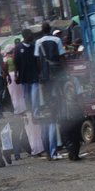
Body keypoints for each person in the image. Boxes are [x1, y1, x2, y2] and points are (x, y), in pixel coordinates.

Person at [34, 22, 67, 161]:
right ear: (51, 30)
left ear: (42, 31)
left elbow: (37, 61)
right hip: (57, 78)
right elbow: (62, 58)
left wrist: (40, 77)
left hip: (45, 80)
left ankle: (48, 150)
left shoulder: (38, 42)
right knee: (58, 110)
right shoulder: (57, 40)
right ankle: (57, 146)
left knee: (47, 114)